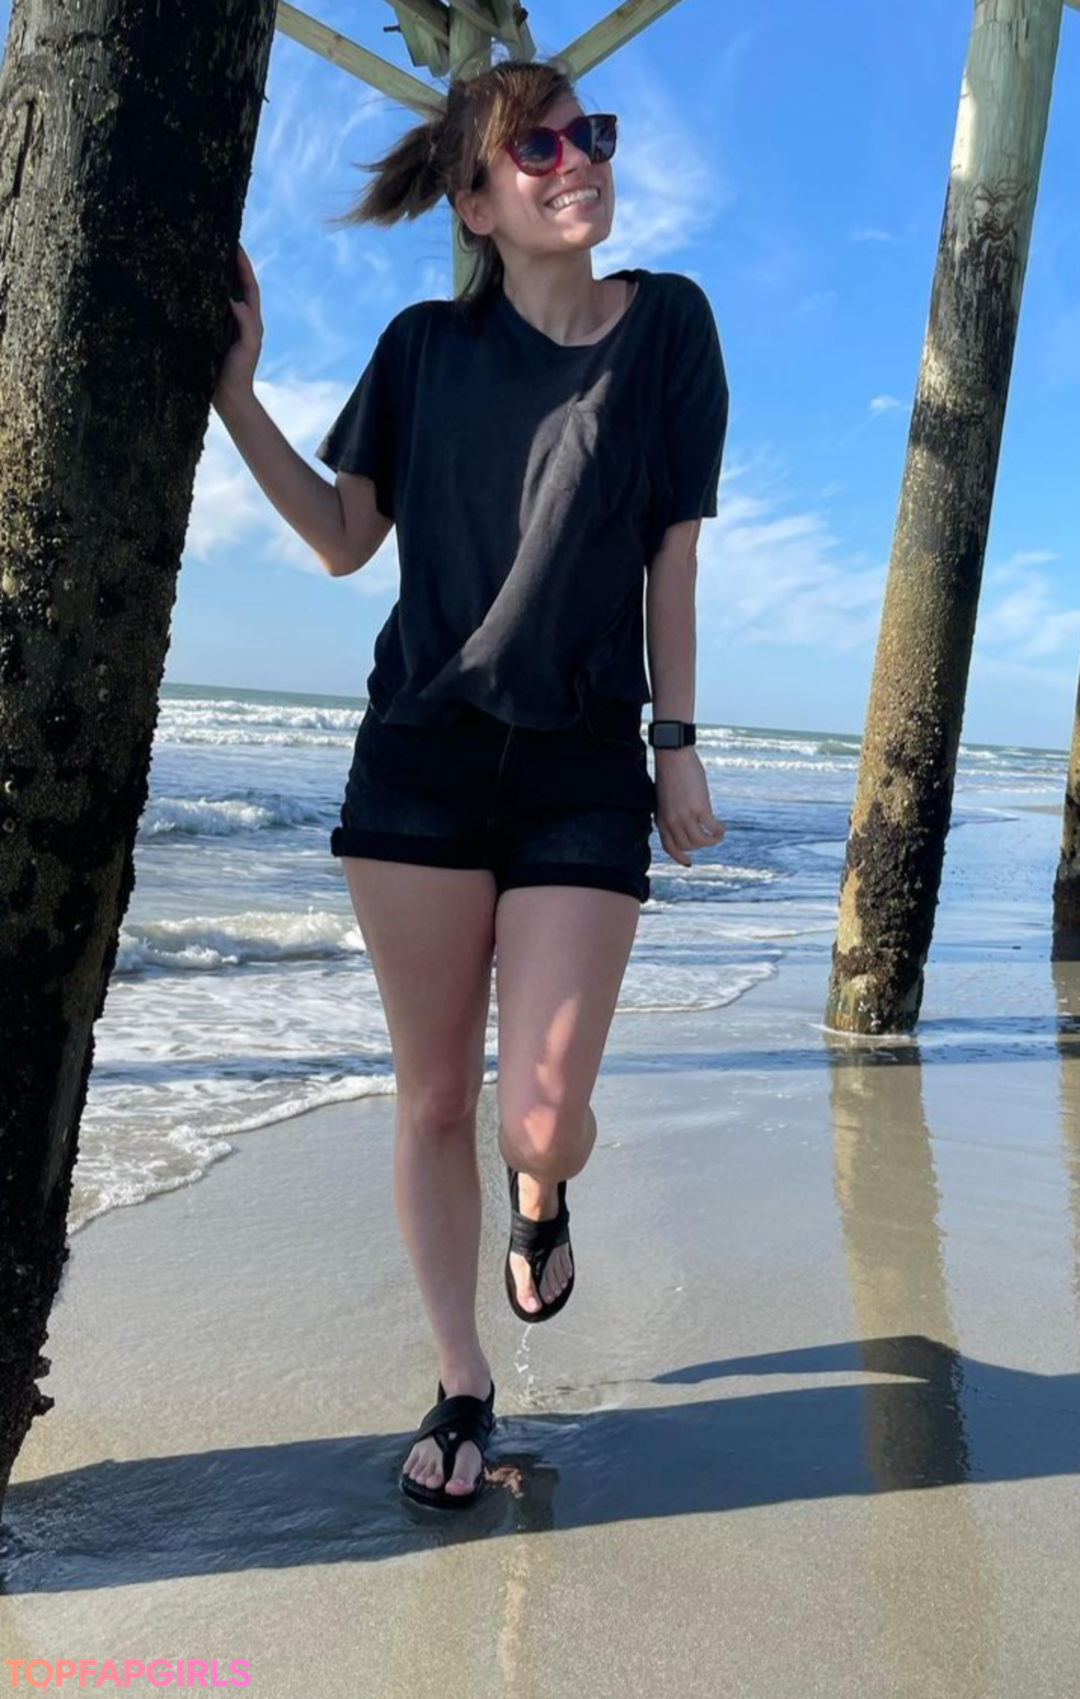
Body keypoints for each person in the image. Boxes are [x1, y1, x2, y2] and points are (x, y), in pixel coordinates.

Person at [212, 56, 728, 1512]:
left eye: (589, 135)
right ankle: (461, 1382)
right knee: (437, 1100)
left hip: (580, 764)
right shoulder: (423, 349)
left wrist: (676, 741)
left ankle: (543, 1191)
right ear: (476, 201)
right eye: (538, 148)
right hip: (421, 762)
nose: (578, 161)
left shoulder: (670, 325)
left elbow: (672, 555)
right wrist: (238, 400)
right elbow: (341, 541)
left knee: (537, 1118)